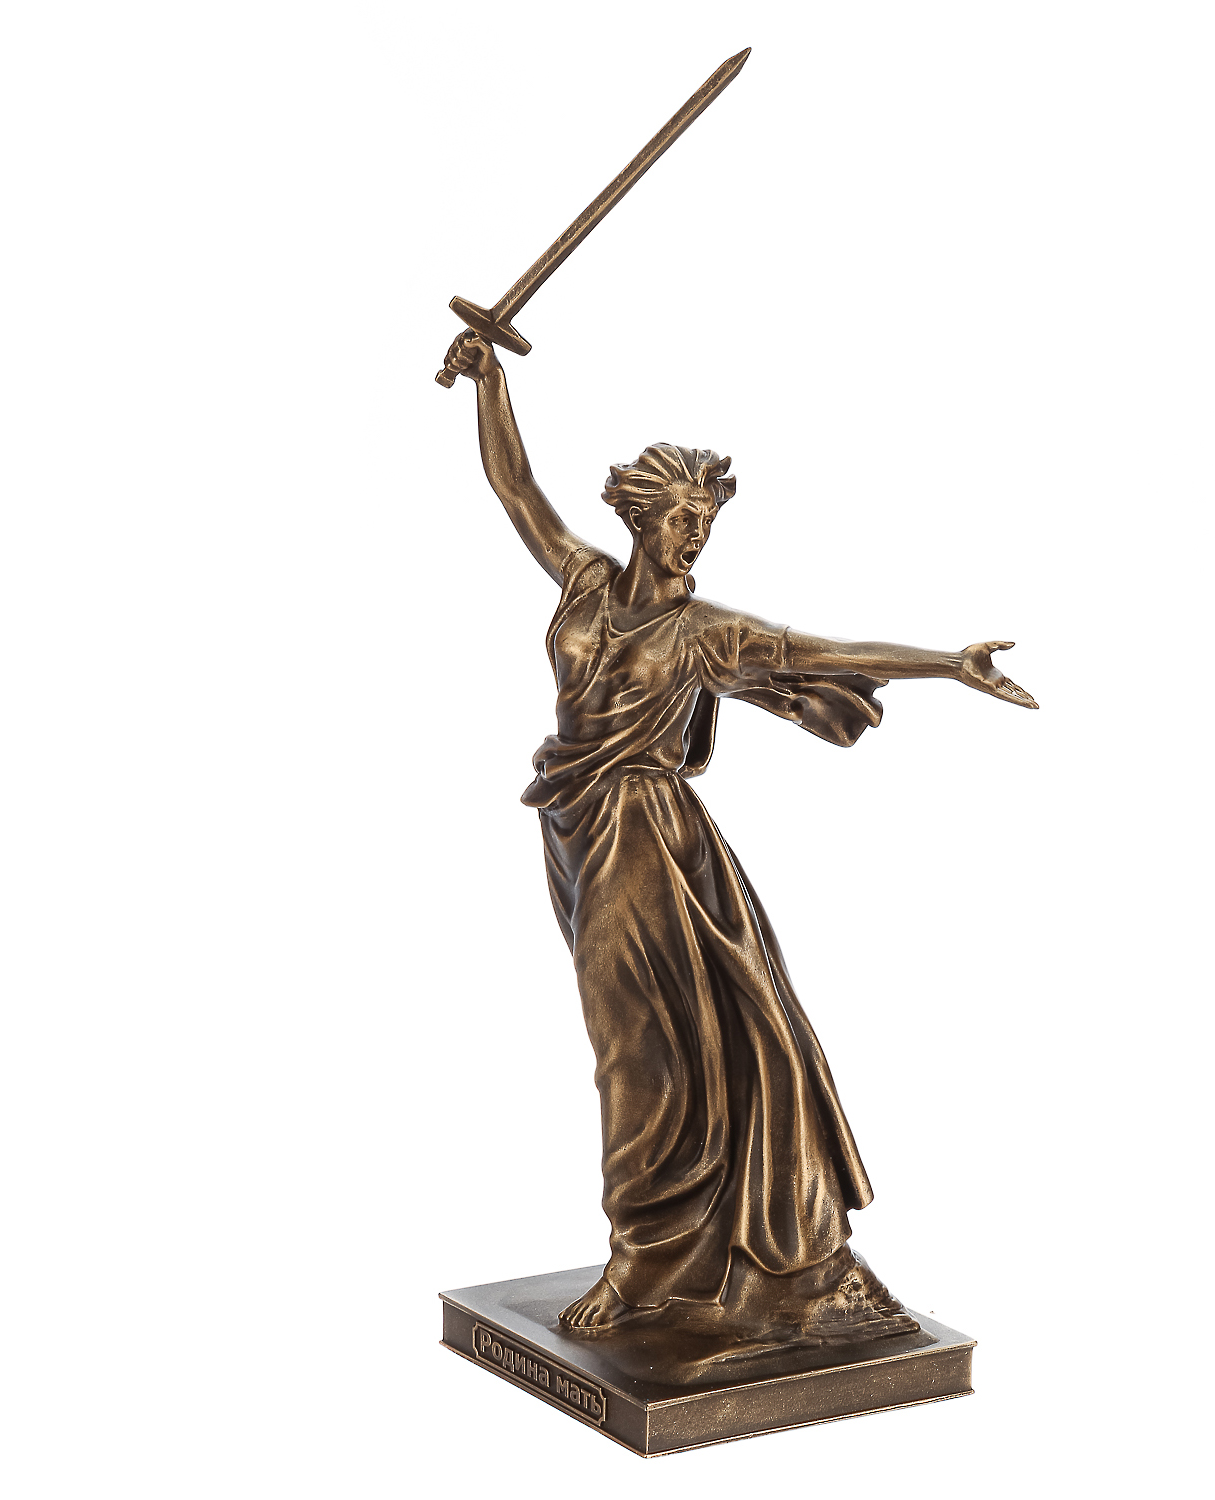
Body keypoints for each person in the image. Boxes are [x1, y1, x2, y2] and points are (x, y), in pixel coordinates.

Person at [442, 331, 1037, 1335]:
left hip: (646, 832)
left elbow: (820, 651)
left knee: (633, 1045)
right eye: (681, 518)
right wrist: (489, 382)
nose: (694, 536)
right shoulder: (584, 583)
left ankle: (645, 1259)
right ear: (639, 515)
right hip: (574, 824)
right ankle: (675, 1250)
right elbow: (517, 490)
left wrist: (948, 663)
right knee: (653, 1035)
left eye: (705, 523)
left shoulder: (706, 630)